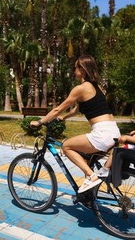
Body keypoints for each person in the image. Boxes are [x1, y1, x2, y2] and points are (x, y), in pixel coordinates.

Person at [30, 55, 121, 193]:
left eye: (76, 67)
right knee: (86, 160)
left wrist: (40, 121)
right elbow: (78, 109)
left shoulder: (81, 88)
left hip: (102, 134)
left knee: (66, 146)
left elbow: (57, 109)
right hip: (114, 132)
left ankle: (92, 176)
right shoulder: (98, 88)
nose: (74, 70)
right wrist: (64, 118)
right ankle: (90, 197)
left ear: (83, 69)